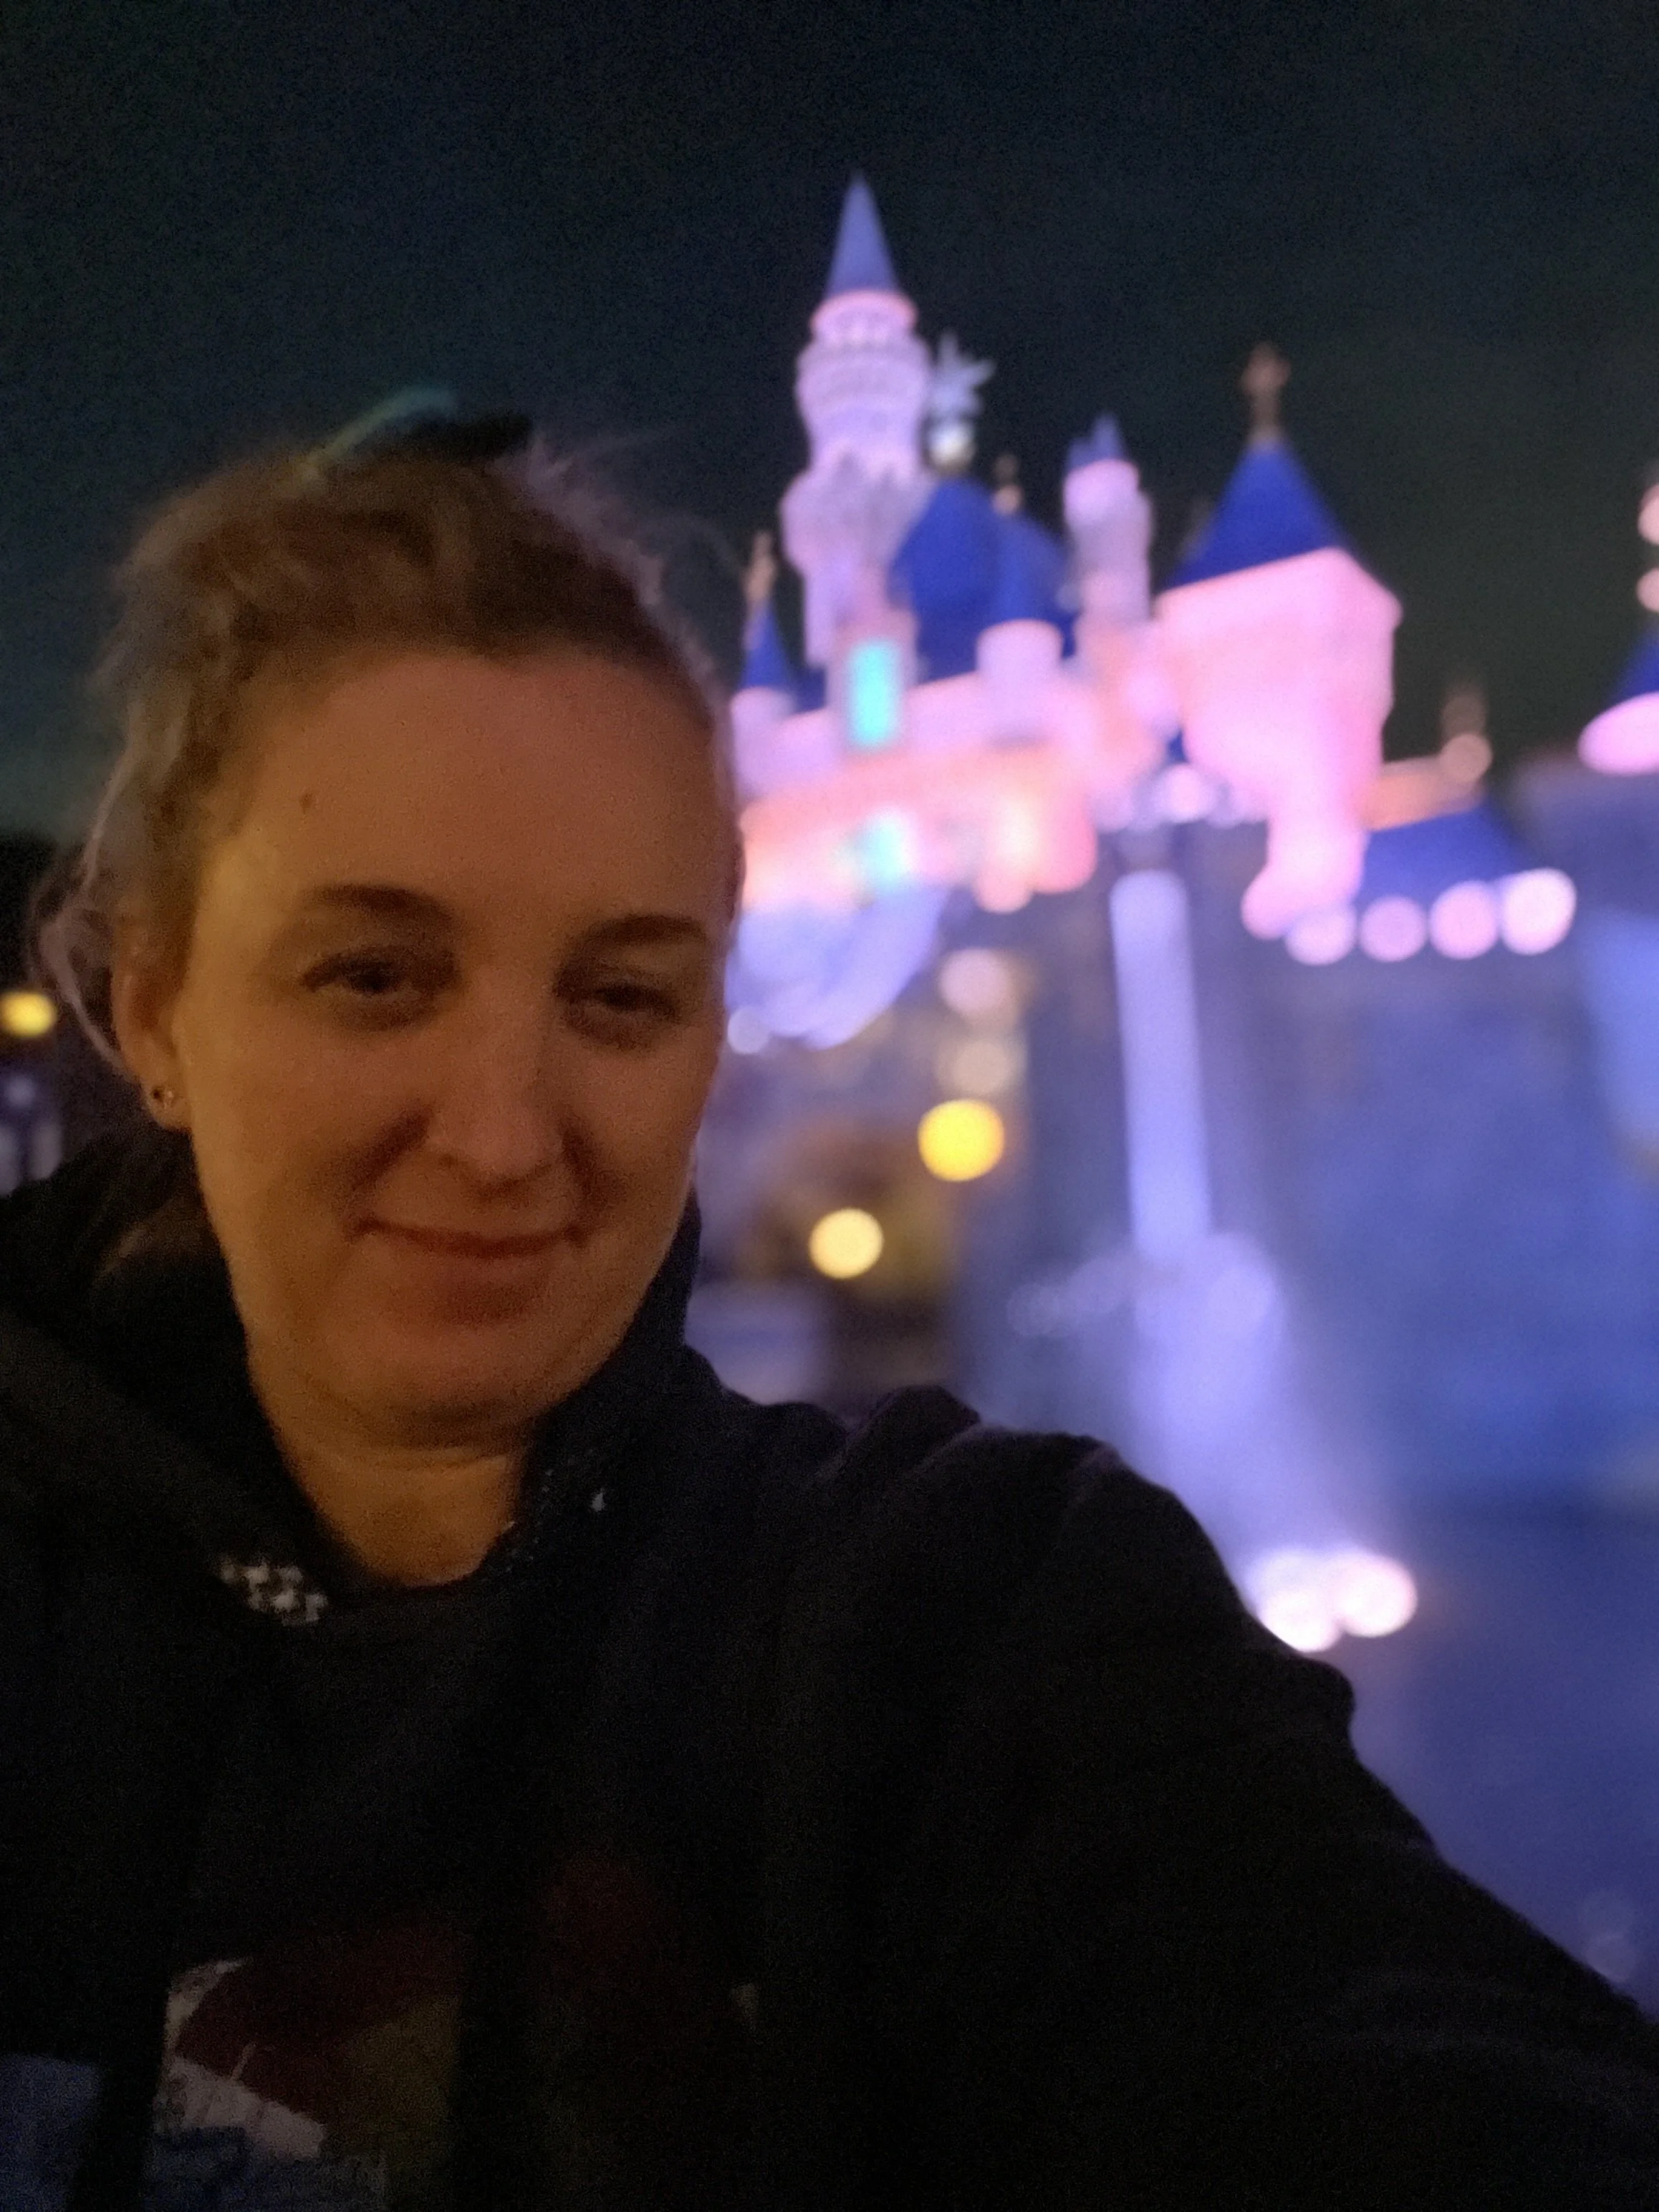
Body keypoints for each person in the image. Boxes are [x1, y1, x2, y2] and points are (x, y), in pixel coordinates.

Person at [1, 414, 1656, 2212]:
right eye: (375, 973)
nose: (498, 1135)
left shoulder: (955, 1614)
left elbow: (1349, 2023)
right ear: (150, 1000)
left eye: (624, 992)